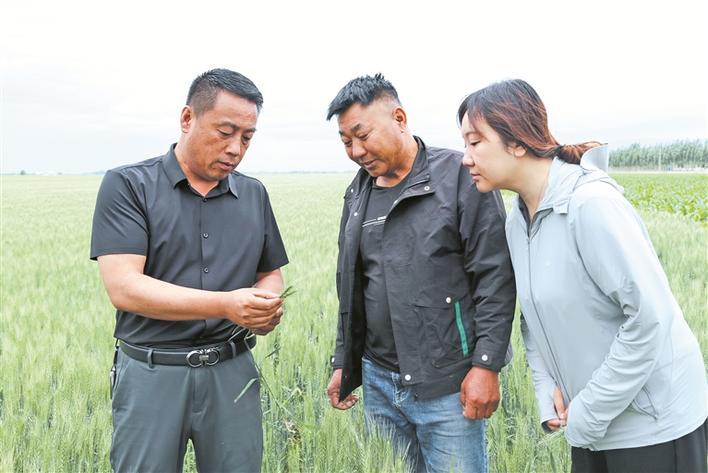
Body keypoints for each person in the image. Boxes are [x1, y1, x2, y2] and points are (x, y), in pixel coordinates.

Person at [457, 79, 708, 473]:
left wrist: (588, 410)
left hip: (653, 425)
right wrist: (549, 395)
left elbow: (649, 319)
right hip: (589, 423)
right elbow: (534, 320)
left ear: (517, 142)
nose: (465, 158)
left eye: (475, 142)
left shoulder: (590, 205)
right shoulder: (516, 222)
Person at [90, 68, 289, 472]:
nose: (235, 148)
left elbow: (270, 272)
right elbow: (124, 287)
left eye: (247, 137)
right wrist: (226, 305)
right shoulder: (128, 185)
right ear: (187, 118)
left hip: (233, 373)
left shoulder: (253, 193)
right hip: (152, 374)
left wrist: (266, 303)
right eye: (225, 132)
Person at [325, 74, 516, 473]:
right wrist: (344, 361)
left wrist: (486, 366)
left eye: (362, 135)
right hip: (378, 381)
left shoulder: (460, 177)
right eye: (345, 142)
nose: (356, 151)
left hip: (447, 383)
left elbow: (495, 278)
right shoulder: (358, 193)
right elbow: (352, 287)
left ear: (399, 118)